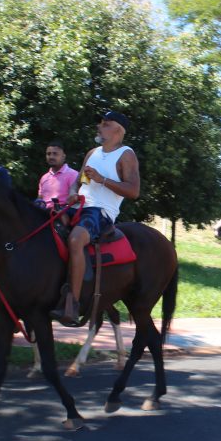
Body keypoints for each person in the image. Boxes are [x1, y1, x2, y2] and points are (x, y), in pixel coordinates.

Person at [50, 111, 140, 325]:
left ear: (118, 130)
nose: (100, 127)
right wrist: (73, 192)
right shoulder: (92, 153)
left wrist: (102, 180)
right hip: (78, 206)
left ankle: (72, 303)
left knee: (75, 240)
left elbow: (134, 191)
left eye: (105, 124)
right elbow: (78, 181)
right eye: (100, 123)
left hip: (101, 212)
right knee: (46, 227)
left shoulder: (126, 154)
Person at [36, 141, 79, 210]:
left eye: (55, 154)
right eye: (48, 154)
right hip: (43, 212)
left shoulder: (73, 175)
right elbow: (40, 199)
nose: (51, 157)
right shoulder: (44, 178)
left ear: (63, 156)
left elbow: (75, 200)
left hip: (63, 211)